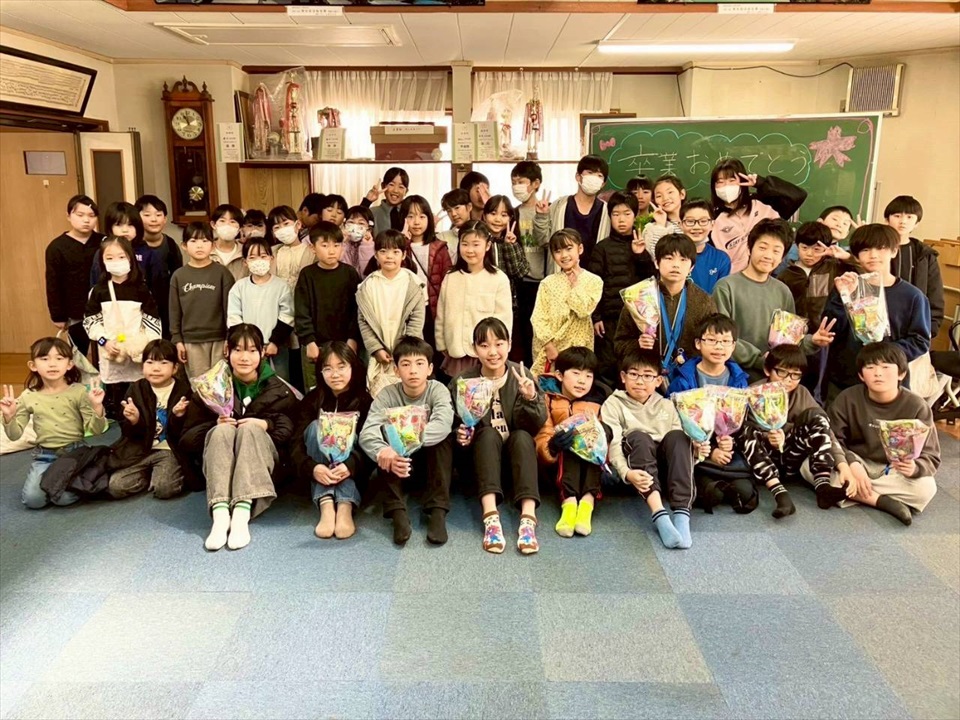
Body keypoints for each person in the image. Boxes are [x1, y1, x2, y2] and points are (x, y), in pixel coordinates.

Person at [174, 324, 298, 551]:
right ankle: (220, 515)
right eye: (238, 350)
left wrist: (266, 425)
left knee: (250, 429)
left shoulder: (279, 389)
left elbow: (290, 434)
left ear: (262, 352)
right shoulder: (211, 387)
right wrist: (215, 424)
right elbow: (187, 439)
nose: (244, 357)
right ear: (227, 351)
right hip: (221, 467)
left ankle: (241, 514)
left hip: (263, 466)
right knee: (223, 430)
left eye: (252, 350)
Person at [805, 342, 940, 525]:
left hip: (892, 470)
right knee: (808, 464)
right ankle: (881, 501)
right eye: (870, 367)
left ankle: (854, 492)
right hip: (854, 461)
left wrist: (914, 468)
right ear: (861, 375)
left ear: (901, 373)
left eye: (885, 367)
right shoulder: (848, 398)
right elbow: (832, 438)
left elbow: (931, 455)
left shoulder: (917, 406)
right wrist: (851, 464)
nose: (878, 373)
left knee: (926, 488)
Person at [452, 318, 547, 555]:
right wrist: (460, 436)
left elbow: (535, 425)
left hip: (516, 464)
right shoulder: (463, 382)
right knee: (487, 434)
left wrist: (530, 397)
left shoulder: (522, 376)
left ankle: (528, 520)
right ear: (474, 349)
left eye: (499, 344)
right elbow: (452, 426)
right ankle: (491, 517)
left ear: (510, 344)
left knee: (522, 437)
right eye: (484, 345)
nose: (493, 352)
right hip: (482, 464)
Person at [601, 347, 701, 549]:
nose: (640, 381)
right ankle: (659, 513)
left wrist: (698, 452)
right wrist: (626, 473)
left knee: (679, 436)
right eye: (634, 374)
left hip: (663, 466)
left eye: (647, 376)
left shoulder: (667, 405)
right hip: (636, 464)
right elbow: (613, 443)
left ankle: (682, 515)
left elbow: (679, 450)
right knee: (639, 437)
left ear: (658, 380)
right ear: (623, 377)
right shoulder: (613, 404)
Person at [359, 336, 454, 545]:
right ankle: (397, 513)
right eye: (405, 364)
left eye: (419, 364)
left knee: (443, 440)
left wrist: (405, 441)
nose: (413, 371)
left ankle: (437, 512)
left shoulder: (437, 390)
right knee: (384, 445)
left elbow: (443, 423)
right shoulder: (387, 395)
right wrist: (385, 451)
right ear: (396, 370)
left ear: (429, 369)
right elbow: (368, 432)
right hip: (398, 467)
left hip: (430, 465)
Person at [713, 219, 833, 383]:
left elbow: (789, 340)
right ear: (750, 248)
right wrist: (760, 359)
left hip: (773, 380)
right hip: (735, 377)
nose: (768, 256)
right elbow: (720, 336)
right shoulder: (726, 287)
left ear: (783, 256)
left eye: (776, 251)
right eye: (762, 248)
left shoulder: (783, 291)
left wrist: (812, 341)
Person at [821, 224, 931, 402]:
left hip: (889, 385)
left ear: (894, 251)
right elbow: (830, 330)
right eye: (865, 250)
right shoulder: (847, 287)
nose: (873, 255)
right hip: (844, 379)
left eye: (881, 248)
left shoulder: (912, 296)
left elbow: (920, 341)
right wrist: (844, 297)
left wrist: (883, 355)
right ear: (856, 256)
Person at [740, 345, 848, 519]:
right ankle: (780, 494)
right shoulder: (753, 393)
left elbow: (825, 428)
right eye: (782, 372)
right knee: (745, 429)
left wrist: (842, 463)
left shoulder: (801, 393)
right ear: (767, 370)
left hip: (791, 457)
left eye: (795, 375)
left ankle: (823, 485)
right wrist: (767, 437)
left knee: (816, 415)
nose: (788, 380)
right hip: (762, 462)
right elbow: (743, 432)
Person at [1, 337, 108, 509]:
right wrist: (8, 417)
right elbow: (14, 435)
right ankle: (59, 481)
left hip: (74, 454)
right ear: (33, 365)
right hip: (45, 456)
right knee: (33, 501)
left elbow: (97, 430)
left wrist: (97, 407)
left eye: (59, 358)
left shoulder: (79, 392)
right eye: (44, 359)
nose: (52, 364)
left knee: (63, 499)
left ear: (69, 364)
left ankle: (72, 479)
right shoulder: (28, 396)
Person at [291, 341, 372, 540]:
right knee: (315, 427)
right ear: (320, 372)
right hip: (318, 471)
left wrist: (350, 465)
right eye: (328, 368)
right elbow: (295, 443)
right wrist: (313, 468)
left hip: (351, 472)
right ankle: (326, 503)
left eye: (341, 367)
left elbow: (371, 446)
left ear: (353, 367)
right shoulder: (312, 400)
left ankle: (345, 503)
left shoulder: (365, 401)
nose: (335, 374)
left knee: (353, 435)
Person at [614, 234, 717, 386]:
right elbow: (619, 344)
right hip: (646, 380)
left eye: (683, 260)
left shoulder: (703, 301)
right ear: (657, 263)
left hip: (688, 379)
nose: (676, 265)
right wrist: (637, 344)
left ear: (691, 267)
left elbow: (712, 344)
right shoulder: (638, 297)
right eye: (669, 258)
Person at [83, 236, 162, 419]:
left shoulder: (141, 289)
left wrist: (146, 347)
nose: (116, 261)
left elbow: (153, 322)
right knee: (116, 399)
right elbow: (90, 322)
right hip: (110, 353)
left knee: (140, 397)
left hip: (137, 354)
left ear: (130, 258)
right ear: (102, 261)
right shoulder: (98, 291)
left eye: (121, 257)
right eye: (109, 258)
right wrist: (104, 341)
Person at [535, 347, 609, 537]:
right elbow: (543, 433)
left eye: (588, 376)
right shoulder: (547, 397)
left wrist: (600, 434)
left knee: (592, 440)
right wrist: (552, 445)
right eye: (576, 373)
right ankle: (569, 504)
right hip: (557, 462)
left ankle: (587, 503)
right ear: (560, 375)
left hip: (591, 461)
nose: (582, 381)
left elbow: (607, 438)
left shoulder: (599, 400)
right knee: (568, 441)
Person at [105, 339, 192, 501]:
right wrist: (134, 420)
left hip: (169, 450)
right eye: (150, 362)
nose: (156, 368)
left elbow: (187, 434)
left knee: (164, 489)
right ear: (142, 366)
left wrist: (178, 416)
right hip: (140, 449)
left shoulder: (183, 390)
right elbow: (128, 433)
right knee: (116, 486)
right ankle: (148, 475)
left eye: (163, 363)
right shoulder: (136, 389)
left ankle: (160, 476)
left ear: (175, 368)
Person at [778, 222, 855, 398]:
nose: (810, 254)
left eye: (817, 249)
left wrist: (845, 257)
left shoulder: (834, 268)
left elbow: (864, 272)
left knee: (823, 383)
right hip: (798, 339)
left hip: (829, 336)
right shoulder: (787, 274)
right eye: (805, 248)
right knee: (798, 379)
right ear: (797, 246)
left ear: (827, 248)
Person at [587, 191, 656, 382]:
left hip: (636, 319)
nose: (621, 219)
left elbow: (651, 281)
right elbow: (593, 285)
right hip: (609, 320)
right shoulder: (602, 248)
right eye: (616, 214)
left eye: (627, 213)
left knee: (634, 365)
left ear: (635, 215)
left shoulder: (642, 245)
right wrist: (596, 317)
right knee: (608, 366)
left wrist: (640, 255)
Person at [435, 221, 512, 377]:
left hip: (486, 355)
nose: (470, 250)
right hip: (455, 352)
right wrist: (441, 343)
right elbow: (441, 314)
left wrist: (498, 349)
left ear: (487, 245)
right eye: (465, 244)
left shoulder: (498, 278)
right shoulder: (451, 277)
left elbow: (504, 319)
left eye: (476, 244)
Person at [357, 229, 426, 396]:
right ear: (375, 255)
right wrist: (376, 349)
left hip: (408, 352)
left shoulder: (413, 283)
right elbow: (364, 321)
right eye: (383, 251)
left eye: (395, 252)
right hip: (379, 354)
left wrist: (404, 351)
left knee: (409, 393)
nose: (389, 256)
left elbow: (417, 319)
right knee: (380, 396)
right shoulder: (368, 285)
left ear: (404, 255)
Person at [710, 158, 807, 274]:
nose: (726, 186)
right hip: (735, 278)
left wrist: (761, 183)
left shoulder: (763, 203)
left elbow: (797, 196)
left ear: (742, 181)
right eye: (720, 182)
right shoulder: (712, 217)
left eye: (732, 180)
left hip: (772, 273)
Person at [294, 221, 361, 391]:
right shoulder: (307, 275)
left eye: (336, 245)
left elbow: (357, 310)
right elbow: (302, 311)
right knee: (315, 390)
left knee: (347, 388)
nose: (332, 251)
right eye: (325, 245)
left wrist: (353, 339)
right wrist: (309, 341)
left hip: (345, 345)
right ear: (313, 248)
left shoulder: (350, 273)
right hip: (316, 346)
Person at [530, 229, 602, 375]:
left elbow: (584, 311)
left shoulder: (594, 281)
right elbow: (538, 317)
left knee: (576, 380)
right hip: (550, 347)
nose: (564, 255)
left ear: (580, 249)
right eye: (558, 251)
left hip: (578, 346)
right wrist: (549, 345)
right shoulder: (547, 283)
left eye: (569, 249)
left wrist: (575, 286)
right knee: (548, 384)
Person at [169, 222, 235, 378]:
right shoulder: (179, 276)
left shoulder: (222, 273)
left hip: (219, 339)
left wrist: (230, 337)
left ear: (212, 245)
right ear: (184, 246)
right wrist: (177, 340)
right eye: (193, 241)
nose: (199, 246)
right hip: (191, 341)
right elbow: (174, 311)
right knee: (198, 384)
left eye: (205, 241)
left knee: (221, 383)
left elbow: (231, 309)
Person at [226, 238, 295, 382]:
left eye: (263, 256)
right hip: (247, 348)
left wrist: (275, 342)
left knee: (279, 383)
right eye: (252, 257)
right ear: (245, 262)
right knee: (249, 382)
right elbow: (233, 317)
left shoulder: (281, 286)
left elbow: (287, 315)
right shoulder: (239, 287)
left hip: (276, 347)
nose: (259, 261)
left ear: (271, 259)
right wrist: (245, 343)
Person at [45, 194, 104, 355]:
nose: (86, 220)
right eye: (80, 215)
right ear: (68, 216)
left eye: (91, 216)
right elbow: (53, 283)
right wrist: (57, 316)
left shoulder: (104, 242)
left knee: (105, 351)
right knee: (78, 354)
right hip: (75, 312)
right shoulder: (57, 247)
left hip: (103, 308)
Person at [885, 195, 945, 338]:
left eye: (909, 217)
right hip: (880, 325)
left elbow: (935, 293)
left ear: (917, 223)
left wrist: (930, 328)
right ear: (887, 219)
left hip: (914, 327)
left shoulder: (925, 255)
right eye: (897, 216)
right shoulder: (877, 251)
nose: (903, 221)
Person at [537, 155, 611, 267]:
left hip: (594, 275)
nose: (594, 178)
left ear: (603, 183)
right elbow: (544, 241)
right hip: (561, 274)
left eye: (599, 175)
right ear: (578, 177)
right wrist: (541, 217)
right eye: (590, 173)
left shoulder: (607, 211)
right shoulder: (559, 206)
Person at [511, 161, 551, 363]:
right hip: (521, 283)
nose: (516, 186)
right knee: (524, 335)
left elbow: (548, 242)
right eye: (514, 182)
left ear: (536, 184)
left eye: (521, 182)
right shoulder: (513, 213)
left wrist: (542, 216)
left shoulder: (548, 210)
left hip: (543, 282)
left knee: (543, 333)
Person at [400, 194, 450, 342]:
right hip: (406, 310)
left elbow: (448, 281)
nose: (416, 222)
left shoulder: (440, 247)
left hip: (432, 310)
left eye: (422, 217)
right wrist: (401, 242)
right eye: (410, 216)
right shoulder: (398, 247)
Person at [90, 202, 164, 296]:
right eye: (119, 225)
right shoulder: (102, 253)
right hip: (108, 301)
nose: (125, 230)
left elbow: (157, 287)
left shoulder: (148, 253)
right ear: (110, 227)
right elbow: (96, 284)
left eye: (130, 225)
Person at [137, 195, 183, 339]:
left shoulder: (171, 245)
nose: (154, 219)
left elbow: (177, 279)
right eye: (147, 215)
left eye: (158, 215)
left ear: (165, 219)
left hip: (166, 308)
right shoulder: (132, 246)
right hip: (138, 309)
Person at [776, 205, 856, 276]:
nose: (839, 225)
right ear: (820, 222)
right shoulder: (793, 248)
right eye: (835, 219)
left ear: (847, 234)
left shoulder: (847, 255)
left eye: (845, 224)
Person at [680, 199, 730, 295]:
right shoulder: (672, 254)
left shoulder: (721, 259)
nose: (696, 227)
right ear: (681, 224)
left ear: (712, 224)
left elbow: (721, 295)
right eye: (690, 221)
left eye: (703, 221)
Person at [641, 175, 686, 256]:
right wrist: (660, 225)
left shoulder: (695, 221)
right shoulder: (651, 229)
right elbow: (654, 256)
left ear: (682, 194)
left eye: (670, 192)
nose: (665, 198)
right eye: (659, 196)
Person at [361, 167, 409, 235]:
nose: (395, 190)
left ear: (406, 191)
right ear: (383, 186)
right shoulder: (373, 213)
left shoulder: (410, 212)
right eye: (391, 185)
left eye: (401, 187)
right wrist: (367, 201)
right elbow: (356, 225)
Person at [209, 203, 247, 281]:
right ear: (213, 225)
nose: (227, 225)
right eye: (222, 221)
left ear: (240, 228)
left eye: (232, 222)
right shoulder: (206, 251)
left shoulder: (246, 252)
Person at [341, 205, 377, 280]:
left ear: (369, 229)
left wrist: (366, 246)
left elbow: (367, 276)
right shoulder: (339, 244)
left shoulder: (374, 247)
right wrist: (342, 243)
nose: (355, 227)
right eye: (351, 222)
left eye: (361, 223)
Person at [439, 187, 472, 260]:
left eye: (457, 208)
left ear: (469, 207)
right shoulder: (442, 238)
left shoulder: (481, 233)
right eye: (449, 210)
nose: (453, 214)